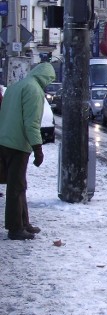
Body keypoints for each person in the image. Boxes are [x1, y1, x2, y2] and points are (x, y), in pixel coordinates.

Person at [0, 62, 56, 240]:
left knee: (19, 185)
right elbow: (31, 123)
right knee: (16, 187)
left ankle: (24, 223)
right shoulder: (34, 90)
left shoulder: (15, 86)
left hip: (4, 141)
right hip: (18, 145)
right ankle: (15, 228)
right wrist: (37, 148)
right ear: (46, 77)